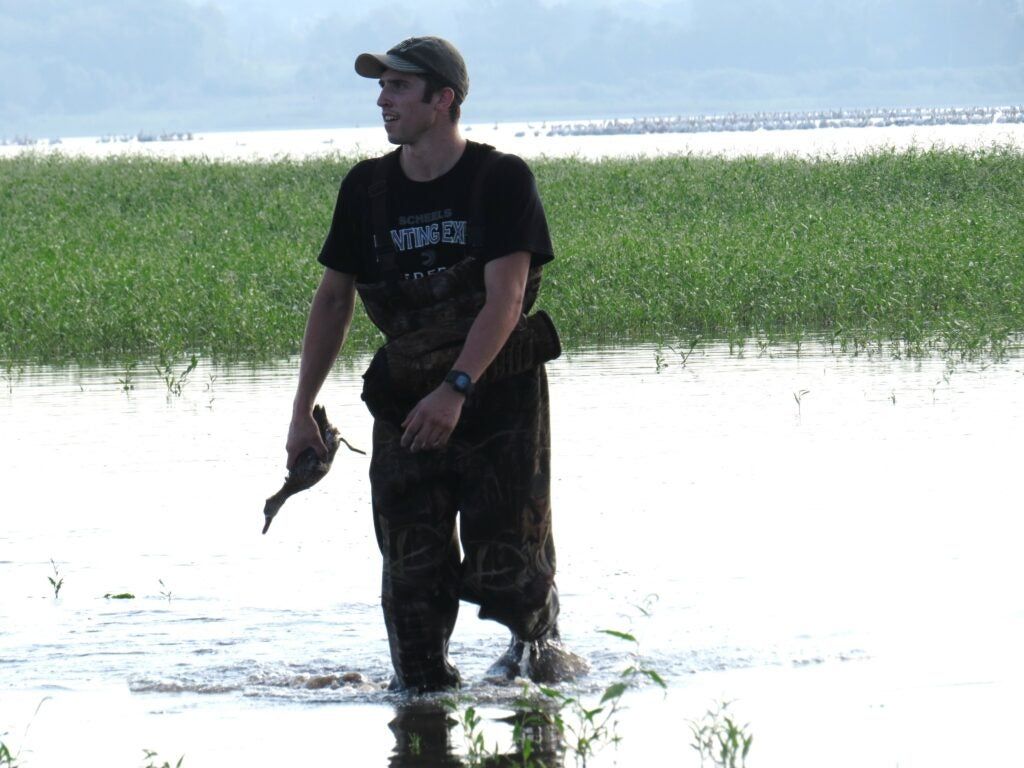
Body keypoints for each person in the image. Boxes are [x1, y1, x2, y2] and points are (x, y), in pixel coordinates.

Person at [285, 35, 586, 693]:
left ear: (441, 98)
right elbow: (334, 299)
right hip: (405, 402)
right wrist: (303, 409)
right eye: (382, 86)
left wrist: (456, 389)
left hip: (499, 402)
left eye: (397, 86)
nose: (382, 99)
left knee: (513, 577)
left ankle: (541, 681)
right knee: (411, 586)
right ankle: (424, 715)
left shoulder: (501, 179)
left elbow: (506, 300)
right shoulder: (365, 189)